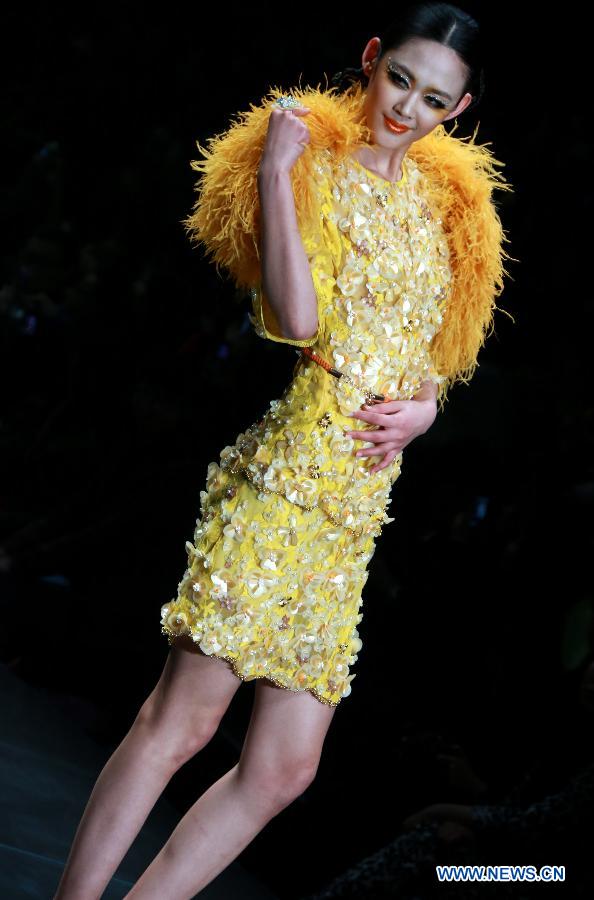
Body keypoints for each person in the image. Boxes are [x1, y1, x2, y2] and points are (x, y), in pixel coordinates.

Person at [54, 3, 514, 897]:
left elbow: (434, 353)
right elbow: (293, 321)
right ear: (371, 60)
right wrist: (274, 170)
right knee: (177, 726)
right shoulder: (314, 163)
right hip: (285, 489)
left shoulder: (448, 206)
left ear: (458, 112)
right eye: (400, 81)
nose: (406, 109)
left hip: (352, 521)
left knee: (283, 772)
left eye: (433, 100)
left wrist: (424, 413)